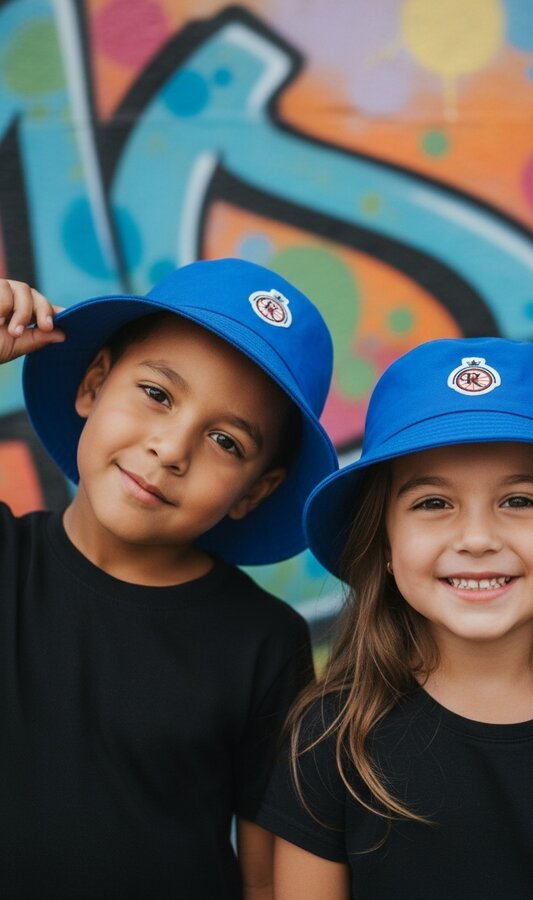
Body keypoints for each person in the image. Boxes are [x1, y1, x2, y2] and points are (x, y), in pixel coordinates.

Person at [257, 337, 533, 900]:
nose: (476, 539)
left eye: (519, 500)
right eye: (432, 503)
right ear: (386, 546)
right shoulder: (329, 739)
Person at [0, 259, 338, 899]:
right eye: (157, 394)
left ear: (254, 492)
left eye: (226, 441)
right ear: (94, 385)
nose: (172, 448)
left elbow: (265, 880)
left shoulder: (264, 642)